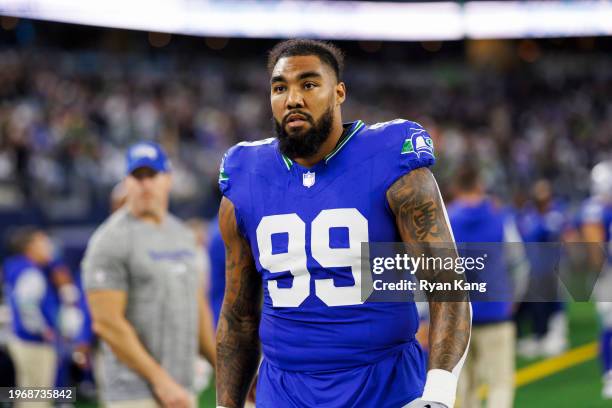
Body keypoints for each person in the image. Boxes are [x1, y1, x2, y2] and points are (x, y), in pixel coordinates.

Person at [215, 39, 471, 408]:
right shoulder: (245, 177)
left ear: (338, 93)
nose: (293, 99)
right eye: (280, 87)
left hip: (385, 388)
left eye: (308, 84)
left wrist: (439, 396)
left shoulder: (391, 161)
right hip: (284, 392)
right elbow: (237, 317)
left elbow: (447, 285)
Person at [82, 141, 216, 408]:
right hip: (133, 393)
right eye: (137, 176)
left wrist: (224, 369)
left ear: (167, 180)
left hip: (183, 388)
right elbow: (107, 323)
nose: (145, 184)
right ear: (126, 183)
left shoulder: (183, 236)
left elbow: (197, 306)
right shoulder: (109, 240)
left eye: (152, 175)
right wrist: (161, 382)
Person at [447, 163, 528, 408]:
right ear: (480, 185)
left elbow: (428, 269)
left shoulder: (445, 218)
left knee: (465, 388)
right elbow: (519, 263)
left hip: (456, 316)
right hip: (496, 311)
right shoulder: (500, 217)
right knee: (500, 384)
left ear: (456, 188)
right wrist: (513, 300)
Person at [3, 228, 57, 408]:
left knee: (27, 394)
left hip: (19, 339)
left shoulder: (14, 266)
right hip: (32, 342)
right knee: (36, 398)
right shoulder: (30, 272)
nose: (49, 246)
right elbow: (26, 304)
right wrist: (43, 330)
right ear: (30, 247)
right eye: (43, 242)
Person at [580, 159, 612, 399]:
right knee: (610, 325)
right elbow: (594, 249)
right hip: (608, 274)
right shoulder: (595, 208)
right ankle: (609, 375)